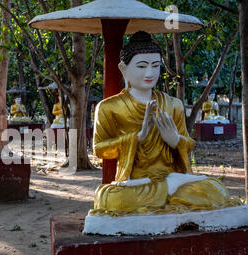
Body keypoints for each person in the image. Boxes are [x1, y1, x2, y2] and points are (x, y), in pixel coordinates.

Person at [90, 31, 236, 215]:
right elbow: (99, 149)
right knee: (110, 198)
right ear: (123, 69)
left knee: (217, 190)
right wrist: (136, 137)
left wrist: (175, 140)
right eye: (141, 66)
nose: (149, 73)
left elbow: (189, 144)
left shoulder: (173, 104)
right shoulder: (109, 107)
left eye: (155, 66)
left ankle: (170, 188)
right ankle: (168, 191)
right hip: (137, 183)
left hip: (172, 176)